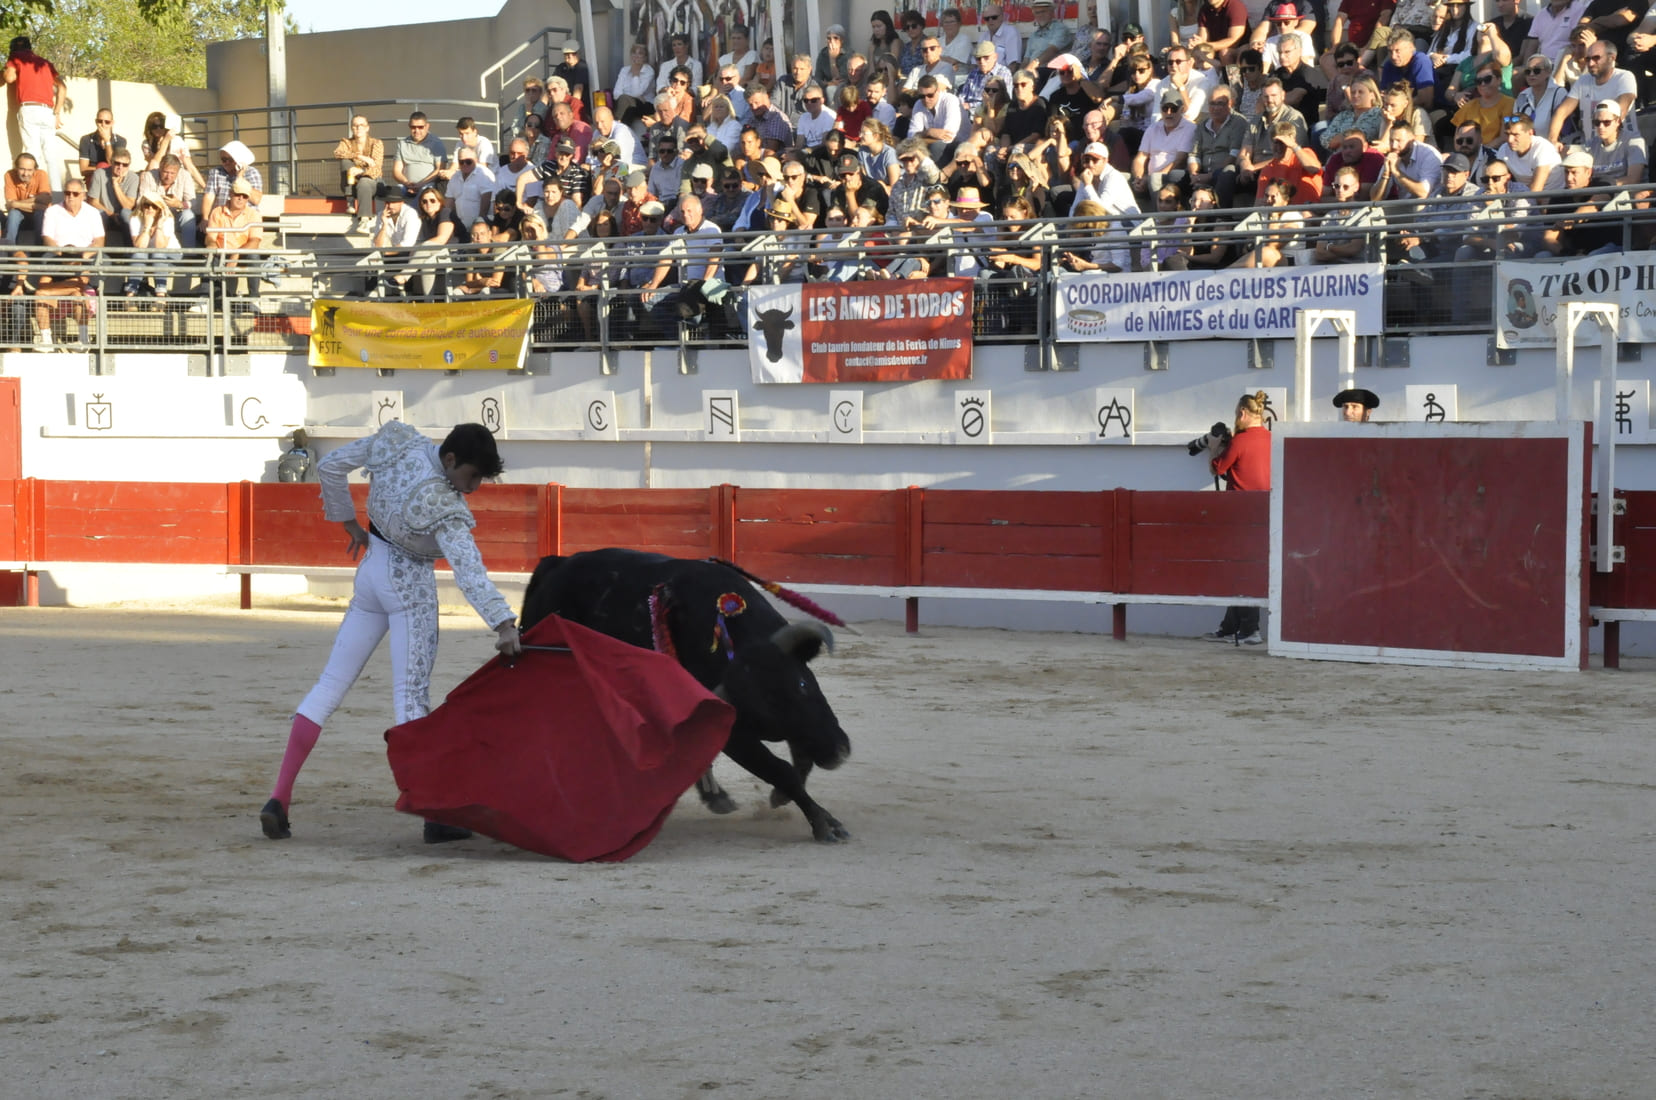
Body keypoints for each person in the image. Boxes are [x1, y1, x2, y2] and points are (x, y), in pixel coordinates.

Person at [259, 421, 523, 845]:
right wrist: (504, 623)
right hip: (409, 590)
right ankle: (432, 815)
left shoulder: (400, 443)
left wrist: (348, 523)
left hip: (370, 576)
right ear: (451, 460)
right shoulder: (445, 505)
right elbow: (469, 572)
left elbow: (329, 466)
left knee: (329, 686)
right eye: (471, 476)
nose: (471, 489)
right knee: (411, 697)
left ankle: (279, 798)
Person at [1202, 390, 1272, 645]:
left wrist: (1213, 448)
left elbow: (1217, 468)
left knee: (1241, 571)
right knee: (1244, 569)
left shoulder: (1240, 442)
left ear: (1243, 413)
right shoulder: (1272, 439)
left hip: (1240, 514)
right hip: (1266, 512)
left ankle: (1250, 629)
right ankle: (1229, 627)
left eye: (1236, 414)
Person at [28, 178, 103, 348]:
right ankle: (46, 340)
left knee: (77, 294)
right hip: (58, 255)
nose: (70, 197)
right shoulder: (53, 211)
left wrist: (82, 256)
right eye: (67, 193)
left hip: (84, 256)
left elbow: (99, 241)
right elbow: (47, 238)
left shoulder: (92, 212)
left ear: (83, 195)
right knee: (45, 293)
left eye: (75, 193)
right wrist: (62, 254)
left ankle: (83, 340)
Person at [4, 37, 66, 192]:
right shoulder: (44, 63)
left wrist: (11, 70)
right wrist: (56, 113)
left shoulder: (16, 58)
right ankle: (57, 195)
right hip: (47, 111)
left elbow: (9, 78)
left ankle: (35, 193)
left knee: (32, 154)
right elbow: (62, 88)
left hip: (29, 108)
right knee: (50, 156)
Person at [199, 141, 263, 244]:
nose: (226, 163)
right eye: (223, 160)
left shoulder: (252, 173)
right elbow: (209, 196)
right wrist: (205, 218)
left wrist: (240, 177)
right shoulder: (216, 172)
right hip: (221, 220)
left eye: (230, 160)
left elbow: (256, 200)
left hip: (245, 220)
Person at [333, 115, 385, 232]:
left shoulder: (376, 143)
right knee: (345, 162)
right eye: (355, 125)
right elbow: (337, 153)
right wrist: (359, 156)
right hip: (353, 184)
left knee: (364, 181)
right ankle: (350, 199)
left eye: (362, 125)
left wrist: (362, 171)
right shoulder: (346, 142)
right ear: (352, 128)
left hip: (373, 183)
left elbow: (377, 169)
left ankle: (364, 221)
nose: (358, 128)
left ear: (367, 128)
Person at [126, 188, 181, 297]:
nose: (150, 209)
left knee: (158, 253)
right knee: (138, 253)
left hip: (170, 254)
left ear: (160, 208)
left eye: (154, 206)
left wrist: (159, 225)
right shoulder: (135, 218)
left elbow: (161, 246)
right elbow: (140, 246)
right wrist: (147, 226)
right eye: (147, 205)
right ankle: (130, 294)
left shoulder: (168, 219)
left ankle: (160, 295)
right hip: (145, 256)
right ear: (142, 206)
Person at [393, 112, 448, 199]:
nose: (416, 131)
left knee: (424, 194)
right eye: (413, 127)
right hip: (406, 185)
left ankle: (412, 211)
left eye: (420, 127)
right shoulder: (402, 144)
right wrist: (407, 183)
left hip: (428, 185)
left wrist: (421, 184)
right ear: (409, 126)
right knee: (393, 194)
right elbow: (396, 171)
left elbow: (440, 169)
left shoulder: (436, 143)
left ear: (427, 126)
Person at [4, 152, 49, 244]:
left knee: (40, 214)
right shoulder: (9, 175)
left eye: (29, 170)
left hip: (37, 216)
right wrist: (36, 199)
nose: (25, 173)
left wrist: (16, 203)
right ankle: (9, 249)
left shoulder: (41, 174)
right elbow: (10, 205)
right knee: (13, 214)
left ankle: (40, 250)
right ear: (16, 167)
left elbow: (45, 204)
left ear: (35, 170)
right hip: (19, 216)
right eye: (22, 169)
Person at [78, 108, 127, 182]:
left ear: (112, 123)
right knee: (102, 166)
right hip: (93, 178)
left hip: (113, 179)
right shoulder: (86, 140)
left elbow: (112, 163)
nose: (103, 125)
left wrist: (107, 141)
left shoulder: (120, 141)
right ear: (96, 122)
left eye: (107, 122)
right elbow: (83, 170)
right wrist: (103, 169)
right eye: (100, 121)